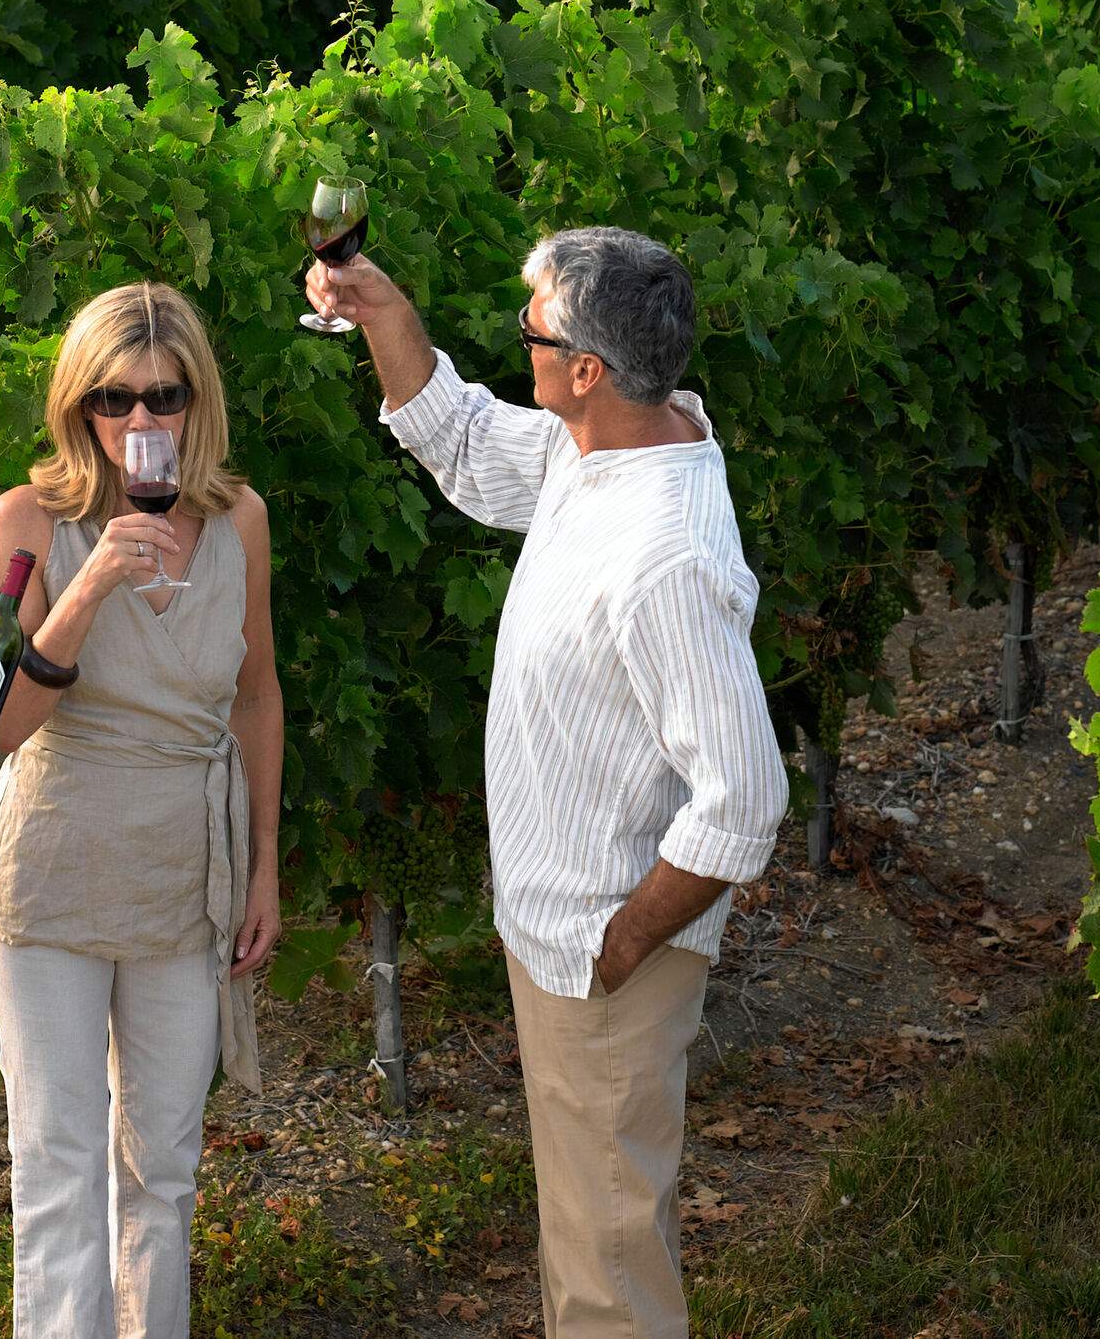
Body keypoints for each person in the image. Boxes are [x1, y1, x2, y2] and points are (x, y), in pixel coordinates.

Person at [308, 225, 789, 1339]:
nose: (516, 340)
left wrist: (622, 941)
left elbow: (747, 797)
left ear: (586, 370)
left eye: (532, 328)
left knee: (607, 1262)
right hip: (564, 937)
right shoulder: (603, 448)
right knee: (588, 1231)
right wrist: (385, 315)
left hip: (600, 957)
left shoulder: (663, 552)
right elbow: (472, 444)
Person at [0, 280, 284, 1339]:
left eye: (164, 397)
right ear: (76, 406)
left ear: (199, 401)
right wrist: (88, 585)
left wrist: (264, 867)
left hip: (183, 874)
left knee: (166, 1166)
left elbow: (254, 696)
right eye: (113, 399)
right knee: (60, 1167)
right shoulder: (25, 523)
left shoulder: (241, 522)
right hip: (54, 873)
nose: (139, 423)